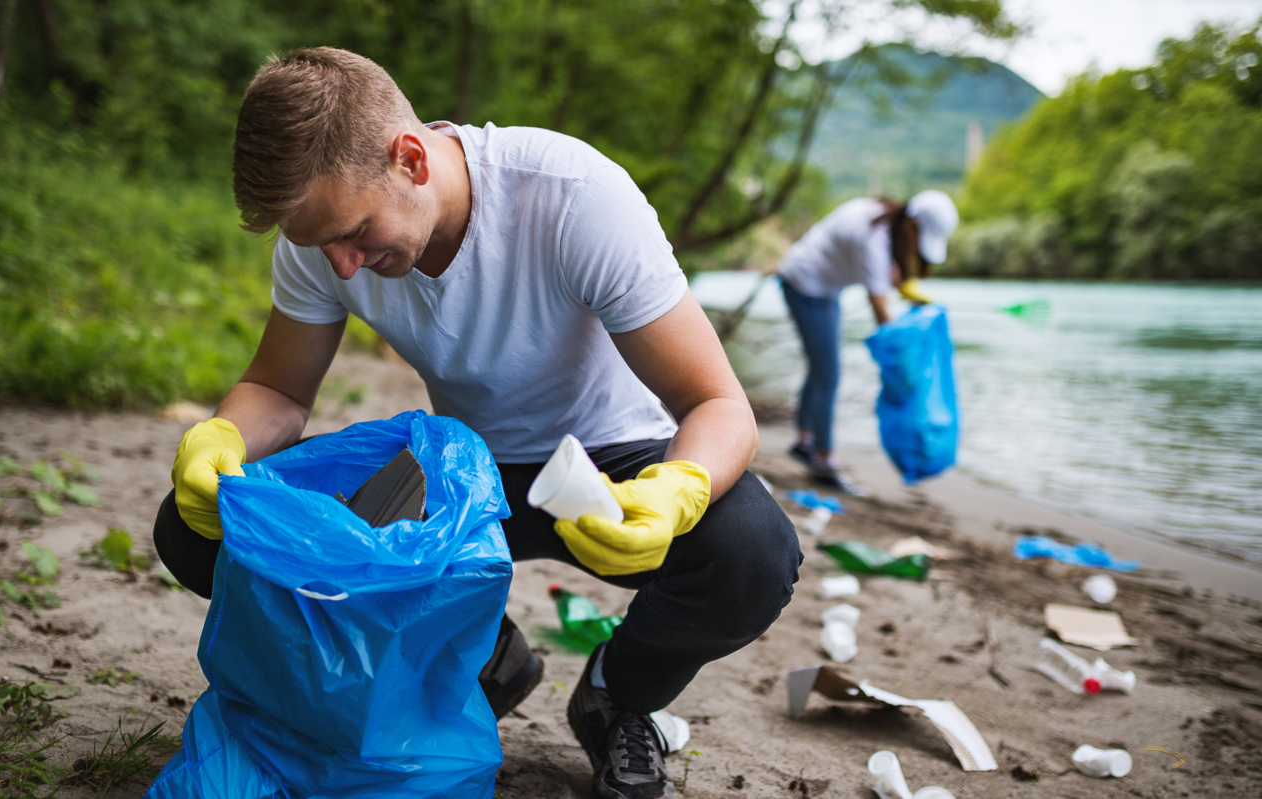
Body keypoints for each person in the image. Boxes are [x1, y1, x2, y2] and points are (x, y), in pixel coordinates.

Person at [153, 48, 800, 799]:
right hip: (464, 476)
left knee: (753, 553)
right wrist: (221, 437)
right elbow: (278, 388)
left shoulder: (574, 197)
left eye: (355, 232)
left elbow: (719, 404)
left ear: (410, 158)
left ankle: (618, 696)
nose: (343, 266)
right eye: (319, 244)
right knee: (198, 530)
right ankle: (482, 657)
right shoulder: (325, 241)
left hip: (611, 465)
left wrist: (676, 489)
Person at [777, 191, 958, 495]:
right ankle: (823, 461)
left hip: (823, 287)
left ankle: (805, 441)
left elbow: (889, 276)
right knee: (828, 374)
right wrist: (903, 360)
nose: (916, 248)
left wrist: (911, 293)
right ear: (910, 224)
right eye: (919, 240)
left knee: (820, 367)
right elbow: (881, 311)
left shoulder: (883, 220)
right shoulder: (872, 237)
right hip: (805, 284)